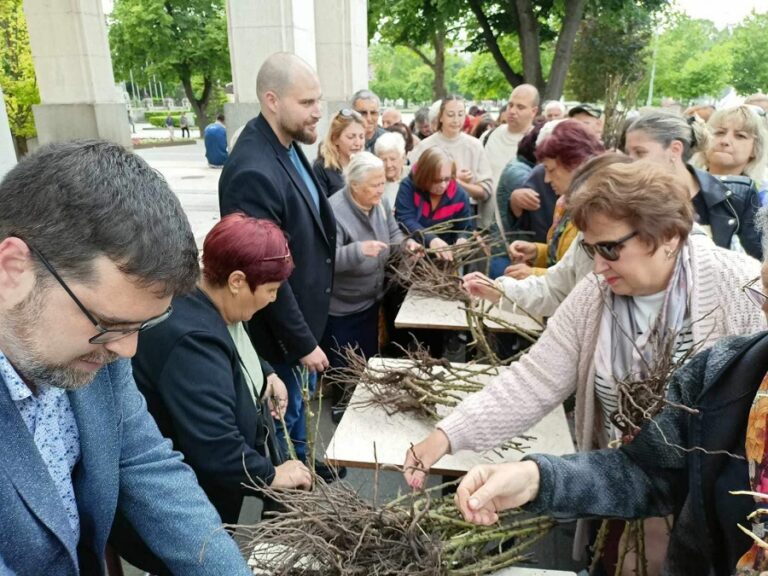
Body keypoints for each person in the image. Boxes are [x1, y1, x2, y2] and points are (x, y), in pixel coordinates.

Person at [404, 160, 765, 490]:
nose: (597, 267)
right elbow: (534, 379)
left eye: (609, 249)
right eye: (591, 250)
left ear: (667, 236)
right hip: (620, 489)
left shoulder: (744, 287)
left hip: (720, 506)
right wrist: (447, 436)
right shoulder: (595, 294)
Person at [454, 209, 768, 575]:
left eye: (610, 248)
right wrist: (536, 479)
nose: (600, 267)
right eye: (764, 292)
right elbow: (647, 471)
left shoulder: (725, 283)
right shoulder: (729, 374)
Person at [0, 140, 251, 575]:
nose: (126, 350)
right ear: (13, 270)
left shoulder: (99, 351)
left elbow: (145, 463)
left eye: (141, 327)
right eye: (108, 322)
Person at [111, 214, 313, 575]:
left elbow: (235, 346)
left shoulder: (205, 295)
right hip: (181, 513)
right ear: (237, 281)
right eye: (270, 291)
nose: (273, 299)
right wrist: (271, 475)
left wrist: (265, 374)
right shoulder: (193, 343)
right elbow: (216, 447)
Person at [218, 52, 341, 481]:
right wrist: (303, 342)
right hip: (280, 335)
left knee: (300, 414)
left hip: (302, 322)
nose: (318, 112)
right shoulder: (252, 168)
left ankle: (307, 464)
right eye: (307, 103)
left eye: (318, 100)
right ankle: (292, 493)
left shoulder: (286, 146)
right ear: (272, 100)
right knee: (283, 424)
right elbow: (263, 270)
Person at [322, 153, 418, 414]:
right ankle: (342, 408)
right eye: (374, 185)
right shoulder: (334, 211)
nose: (381, 189)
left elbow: (393, 232)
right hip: (342, 305)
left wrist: (406, 245)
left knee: (365, 355)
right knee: (344, 360)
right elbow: (326, 260)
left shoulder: (381, 202)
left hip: (371, 298)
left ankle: (362, 405)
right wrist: (358, 250)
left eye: (382, 183)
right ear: (354, 185)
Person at [626, 110, 763, 259]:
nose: (630, 162)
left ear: (675, 149)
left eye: (640, 153)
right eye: (628, 153)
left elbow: (756, 266)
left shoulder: (739, 195)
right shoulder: (629, 197)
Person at [504, 120, 604, 279]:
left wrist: (533, 273)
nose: (546, 180)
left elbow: (581, 278)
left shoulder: (597, 211)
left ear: (575, 164)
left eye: (551, 170)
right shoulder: (566, 203)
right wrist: (537, 251)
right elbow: (564, 259)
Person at [410, 95, 494, 226]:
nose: (456, 120)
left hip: (466, 212)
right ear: (441, 117)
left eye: (460, 114)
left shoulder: (475, 145)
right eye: (450, 114)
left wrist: (458, 183)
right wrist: (452, 180)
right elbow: (415, 183)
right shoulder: (425, 146)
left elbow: (485, 191)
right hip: (431, 210)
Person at [395, 147, 474, 260]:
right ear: (424, 176)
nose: (443, 185)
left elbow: (465, 228)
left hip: (445, 258)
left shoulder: (460, 195)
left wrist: (463, 239)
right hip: (414, 254)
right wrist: (430, 239)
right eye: (436, 180)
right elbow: (405, 219)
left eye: (447, 179)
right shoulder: (408, 187)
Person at [484, 85, 539, 201]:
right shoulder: (489, 136)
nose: (512, 111)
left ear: (533, 111)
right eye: (510, 105)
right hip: (485, 216)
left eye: (520, 107)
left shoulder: (539, 142)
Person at [312, 108, 366, 197]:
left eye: (361, 137)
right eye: (351, 137)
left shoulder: (367, 165)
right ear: (335, 138)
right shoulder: (321, 168)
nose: (358, 143)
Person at [374, 131, 408, 208]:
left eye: (392, 159)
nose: (388, 165)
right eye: (384, 160)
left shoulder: (413, 177)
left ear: (403, 158)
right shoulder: (373, 182)